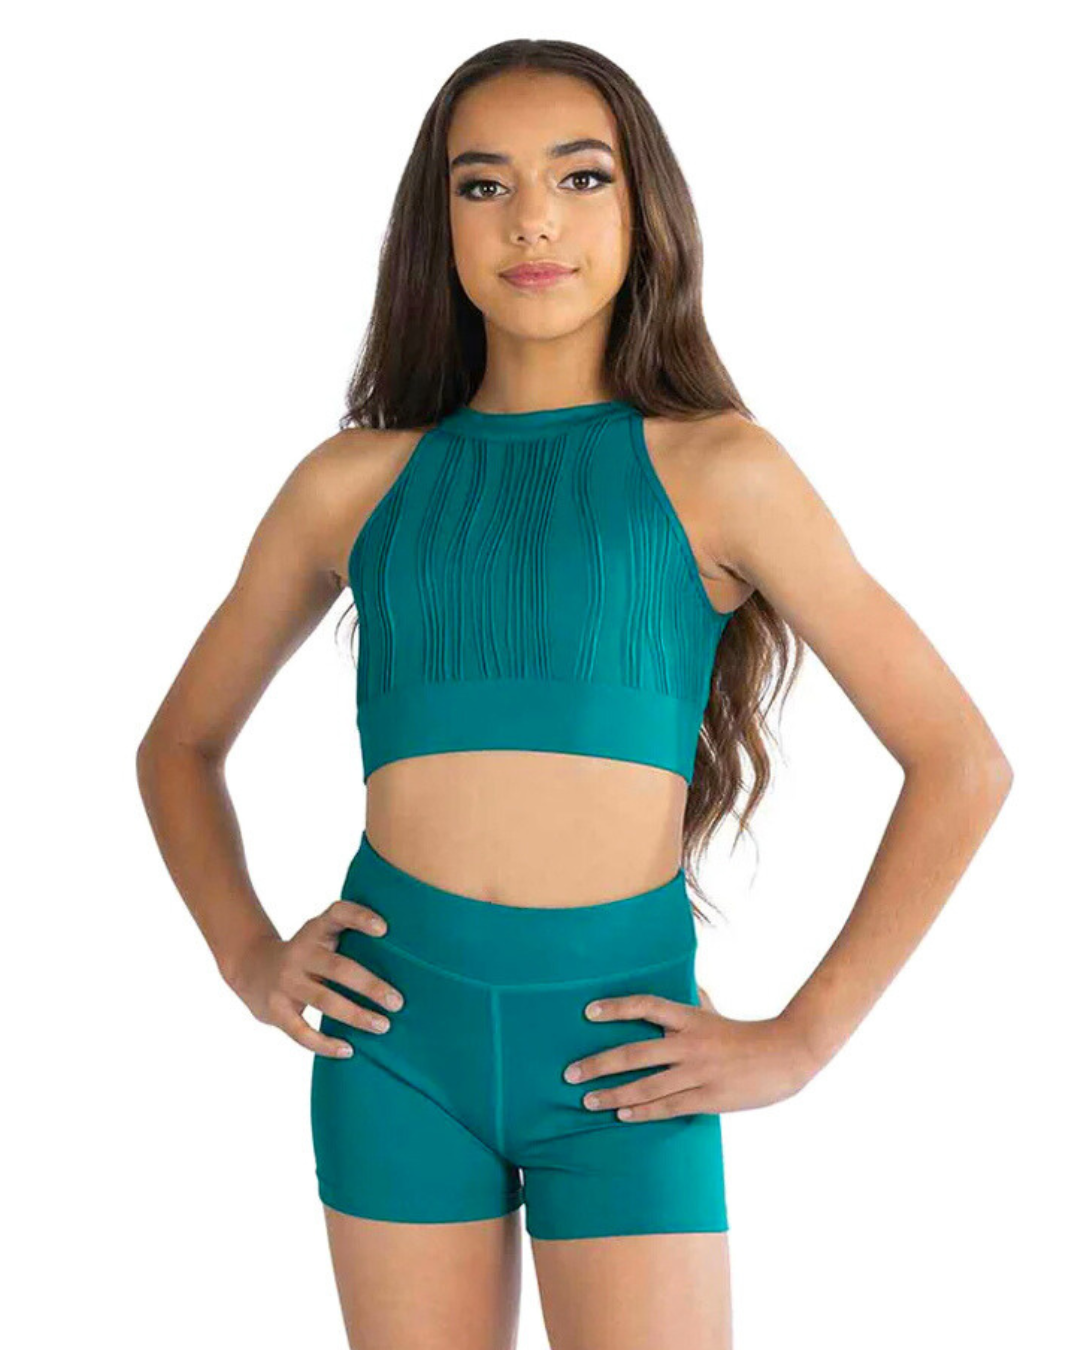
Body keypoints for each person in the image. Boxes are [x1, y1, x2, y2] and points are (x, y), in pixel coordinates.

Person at [135, 39, 1013, 1350]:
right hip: (394, 1040)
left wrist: (802, 1039)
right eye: (483, 184)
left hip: (627, 1056)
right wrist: (248, 954)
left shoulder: (724, 470)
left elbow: (961, 759)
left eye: (580, 176)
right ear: (438, 224)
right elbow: (180, 746)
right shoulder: (350, 484)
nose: (532, 219)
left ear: (643, 209)